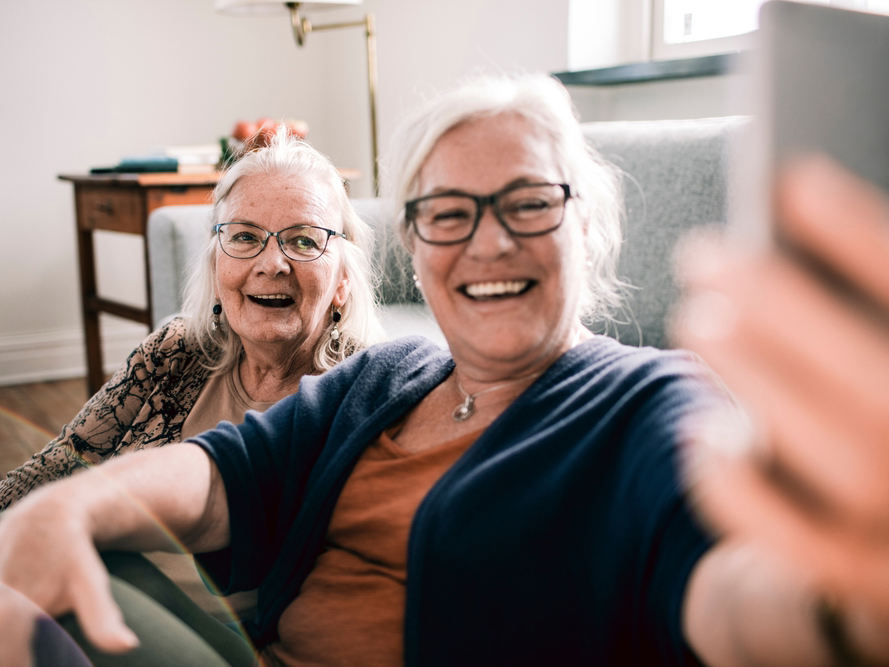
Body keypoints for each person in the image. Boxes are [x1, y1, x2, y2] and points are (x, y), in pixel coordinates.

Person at [2, 74, 886, 667]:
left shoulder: (649, 399)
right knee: (58, 567)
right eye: (448, 213)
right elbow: (221, 471)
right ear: (415, 252)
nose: (488, 240)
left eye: (529, 202)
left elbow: (728, 592)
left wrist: (843, 603)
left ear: (589, 228)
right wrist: (65, 503)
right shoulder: (387, 377)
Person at [0, 129, 384, 628]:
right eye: (245, 236)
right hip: (87, 589)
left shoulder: (363, 395)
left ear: (343, 281)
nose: (272, 264)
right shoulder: (176, 352)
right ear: (216, 262)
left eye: (303, 240)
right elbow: (57, 466)